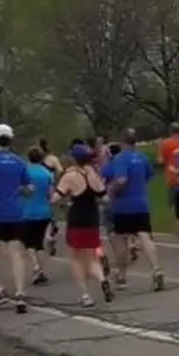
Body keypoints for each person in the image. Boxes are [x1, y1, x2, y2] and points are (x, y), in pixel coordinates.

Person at [103, 130, 165, 292]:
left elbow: (121, 180)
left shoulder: (120, 159)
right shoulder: (142, 157)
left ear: (123, 143)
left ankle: (122, 276)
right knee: (144, 235)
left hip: (123, 205)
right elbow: (149, 175)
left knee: (122, 239)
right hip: (141, 203)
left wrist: (111, 190)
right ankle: (156, 269)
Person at [0, 124, 32, 312]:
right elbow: (29, 188)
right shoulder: (19, 161)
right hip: (16, 211)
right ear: (11, 140)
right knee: (16, 252)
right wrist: (18, 190)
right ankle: (20, 293)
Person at [56, 142, 112, 306]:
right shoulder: (93, 174)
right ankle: (102, 280)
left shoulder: (70, 175)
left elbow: (56, 197)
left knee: (76, 258)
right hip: (92, 219)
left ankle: (85, 295)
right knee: (92, 257)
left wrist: (62, 200)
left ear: (74, 158)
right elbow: (105, 197)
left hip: (77, 220)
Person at [20, 147, 55, 287]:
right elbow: (51, 194)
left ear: (28, 157)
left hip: (27, 212)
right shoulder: (47, 173)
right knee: (39, 243)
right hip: (44, 211)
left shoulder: (25, 172)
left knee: (28, 243)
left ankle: (35, 266)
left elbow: (21, 191)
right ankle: (40, 270)